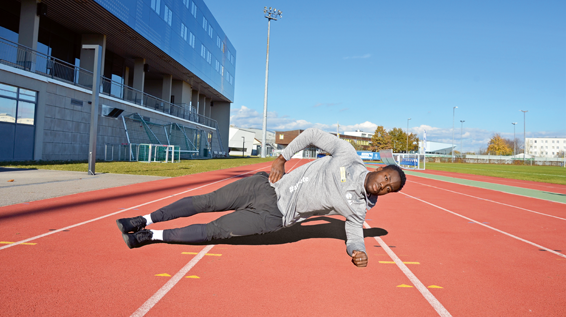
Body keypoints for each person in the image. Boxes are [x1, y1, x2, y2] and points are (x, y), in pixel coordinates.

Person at [116, 128, 406, 267]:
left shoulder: (358, 208)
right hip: (265, 185)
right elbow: (313, 134)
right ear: (380, 169)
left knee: (216, 231)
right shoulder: (348, 155)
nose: (384, 187)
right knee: (206, 202)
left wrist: (356, 250)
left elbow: (354, 234)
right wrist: (282, 158)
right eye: (386, 179)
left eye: (390, 189)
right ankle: (142, 219)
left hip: (273, 216)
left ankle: (148, 236)